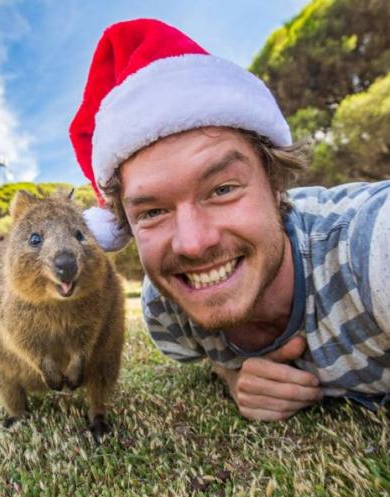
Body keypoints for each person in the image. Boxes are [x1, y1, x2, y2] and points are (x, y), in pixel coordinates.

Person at [69, 18, 390, 420]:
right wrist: (230, 373)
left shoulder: (367, 245)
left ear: (275, 182)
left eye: (222, 190)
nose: (193, 243)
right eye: (152, 212)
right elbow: (209, 357)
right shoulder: (168, 315)